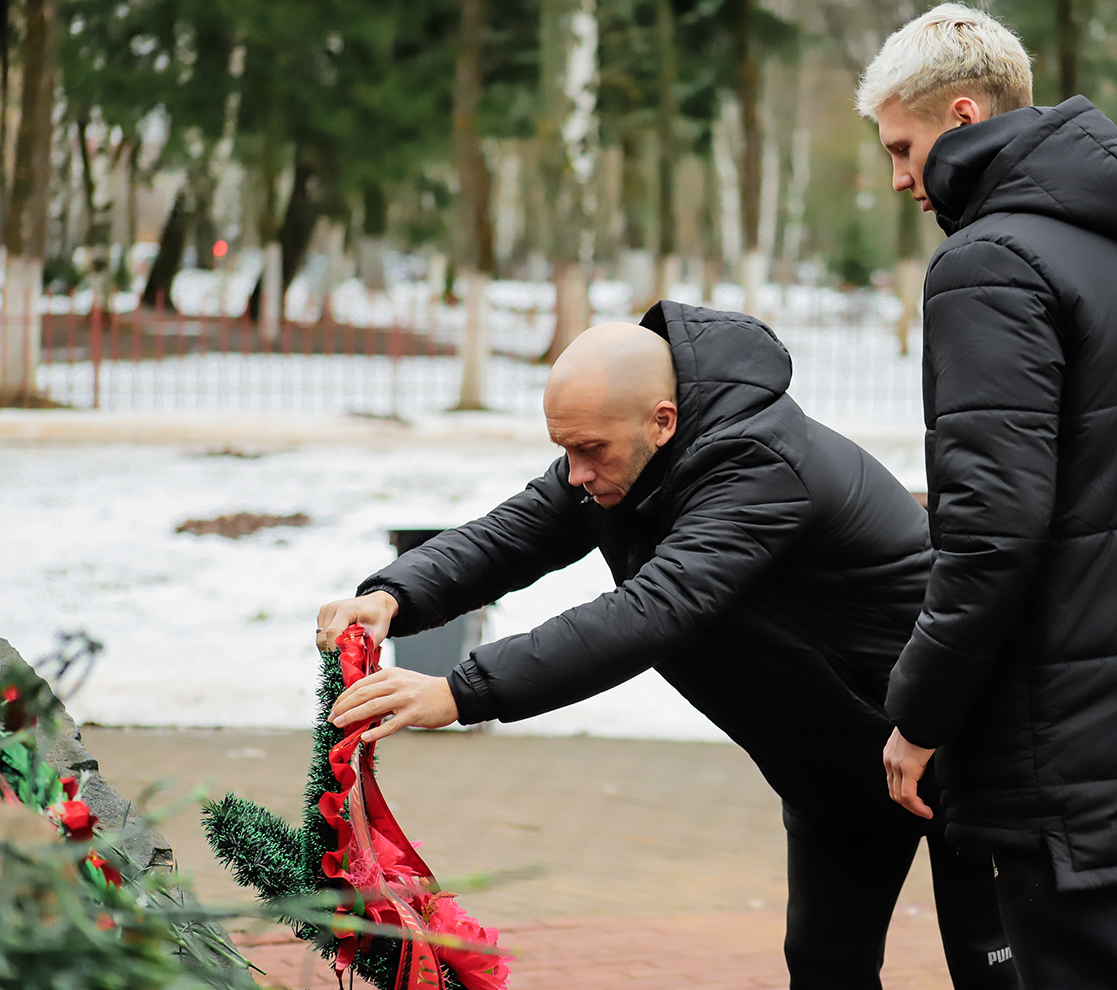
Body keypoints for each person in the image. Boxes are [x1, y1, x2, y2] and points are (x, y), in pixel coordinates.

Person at [317, 304, 1019, 989]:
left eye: (590, 451)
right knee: (826, 968)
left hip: (947, 744)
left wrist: (459, 691)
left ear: (663, 419)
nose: (576, 475)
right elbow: (512, 535)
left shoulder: (759, 465)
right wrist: (393, 595)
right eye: (565, 449)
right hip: (832, 773)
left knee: (993, 967)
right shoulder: (613, 458)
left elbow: (655, 609)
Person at [856, 6, 1117, 990]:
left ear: (960, 113)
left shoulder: (987, 264)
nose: (900, 179)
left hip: (1065, 762)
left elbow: (991, 529)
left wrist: (921, 714)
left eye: (902, 148)